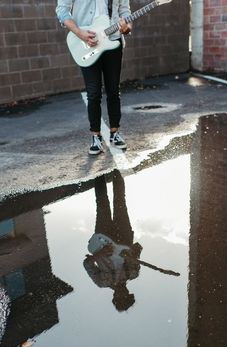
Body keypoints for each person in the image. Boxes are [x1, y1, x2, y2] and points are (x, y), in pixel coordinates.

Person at [56, 1, 132, 155]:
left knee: (113, 90)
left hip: (113, 40)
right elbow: (62, 10)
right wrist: (79, 33)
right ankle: (95, 137)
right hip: (87, 40)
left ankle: (115, 133)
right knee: (94, 92)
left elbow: (125, 11)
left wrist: (127, 27)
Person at [83, 170, 142, 311]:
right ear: (129, 293)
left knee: (102, 203)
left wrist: (100, 254)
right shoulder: (133, 273)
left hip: (103, 238)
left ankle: (99, 171)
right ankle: (116, 169)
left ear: (114, 298)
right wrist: (131, 255)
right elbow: (138, 247)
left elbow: (87, 264)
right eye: (126, 296)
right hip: (124, 236)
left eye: (120, 298)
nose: (122, 294)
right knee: (120, 200)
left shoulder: (101, 282)